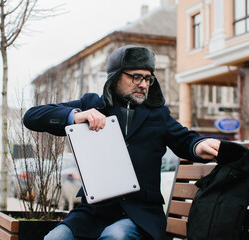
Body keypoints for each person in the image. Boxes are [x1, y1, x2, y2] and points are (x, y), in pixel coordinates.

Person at [23, 45, 221, 240]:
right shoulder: (92, 105)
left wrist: (199, 145)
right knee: (55, 237)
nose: (143, 84)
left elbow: (185, 139)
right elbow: (31, 117)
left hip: (141, 214)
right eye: (136, 77)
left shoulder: (158, 114)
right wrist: (75, 116)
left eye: (147, 78)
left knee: (115, 236)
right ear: (116, 77)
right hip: (93, 213)